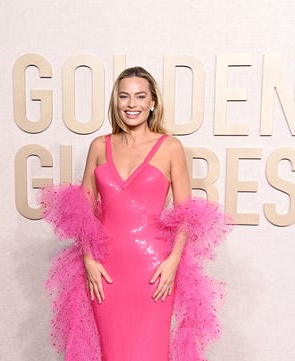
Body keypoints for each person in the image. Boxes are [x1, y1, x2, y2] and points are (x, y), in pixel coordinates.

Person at [40, 67, 233, 361]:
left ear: (152, 102)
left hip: (153, 269)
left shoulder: (170, 147)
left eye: (140, 96)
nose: (132, 104)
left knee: (150, 351)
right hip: (105, 269)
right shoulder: (99, 147)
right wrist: (89, 260)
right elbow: (83, 213)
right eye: (124, 96)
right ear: (116, 102)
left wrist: (172, 263)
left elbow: (185, 214)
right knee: (110, 351)